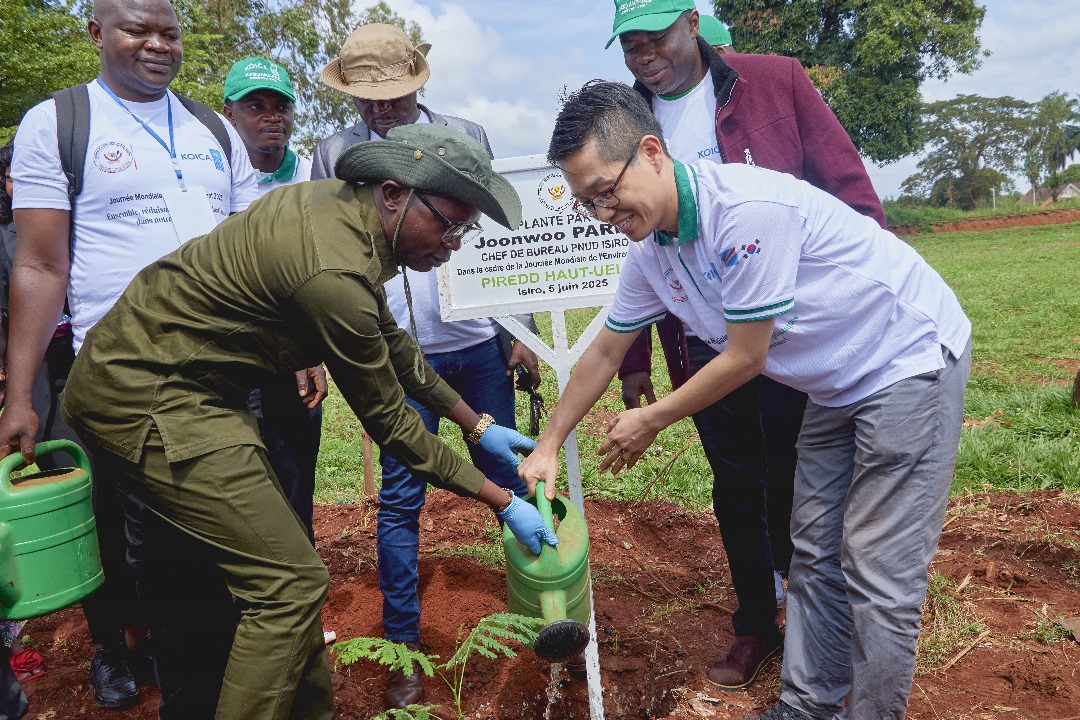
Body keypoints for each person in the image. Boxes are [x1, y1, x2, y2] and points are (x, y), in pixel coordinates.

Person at [8, 122, 558, 720]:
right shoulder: (333, 271)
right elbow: (392, 425)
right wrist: (501, 500)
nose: (455, 241)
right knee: (288, 587)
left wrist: (476, 424)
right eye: (450, 223)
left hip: (196, 385)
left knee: (280, 579)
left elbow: (394, 345)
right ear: (396, 193)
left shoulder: (341, 211)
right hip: (149, 394)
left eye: (466, 229)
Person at [521, 80, 971, 720]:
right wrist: (547, 444)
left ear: (651, 152)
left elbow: (746, 356)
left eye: (605, 191)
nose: (602, 213)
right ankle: (809, 702)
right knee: (813, 545)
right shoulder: (653, 251)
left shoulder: (745, 212)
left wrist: (652, 416)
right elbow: (603, 352)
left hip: (907, 358)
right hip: (836, 381)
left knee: (878, 567)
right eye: (586, 203)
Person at [607, 0, 888, 690]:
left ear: (693, 25)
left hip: (798, 329)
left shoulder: (775, 83)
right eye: (630, 46)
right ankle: (756, 624)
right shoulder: (625, 122)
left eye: (657, 39)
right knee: (736, 481)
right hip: (700, 336)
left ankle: (822, 617)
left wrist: (863, 304)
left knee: (804, 475)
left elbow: (850, 191)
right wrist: (638, 361)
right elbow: (634, 240)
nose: (645, 57)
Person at [3, 0, 259, 709]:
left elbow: (249, 257)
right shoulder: (58, 125)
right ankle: (180, 691)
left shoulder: (214, 129)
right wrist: (21, 396)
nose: (157, 46)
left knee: (232, 553)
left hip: (225, 379)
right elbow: (40, 266)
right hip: (128, 388)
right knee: (163, 567)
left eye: (170, 34)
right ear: (96, 34)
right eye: (137, 30)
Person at [310, 23, 543, 709]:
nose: (378, 109)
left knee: (509, 473)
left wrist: (518, 330)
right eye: (365, 98)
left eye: (391, 95)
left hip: (473, 340)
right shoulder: (333, 153)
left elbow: (504, 240)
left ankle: (541, 613)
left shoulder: (467, 134)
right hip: (389, 353)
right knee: (403, 497)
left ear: (419, 81)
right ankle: (403, 650)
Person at [222, 56, 326, 542]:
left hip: (294, 359)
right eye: (256, 106)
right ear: (229, 114)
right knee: (238, 484)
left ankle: (301, 600)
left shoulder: (312, 178)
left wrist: (311, 351)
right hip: (231, 358)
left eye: (281, 106)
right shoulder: (215, 180)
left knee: (294, 479)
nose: (271, 117)